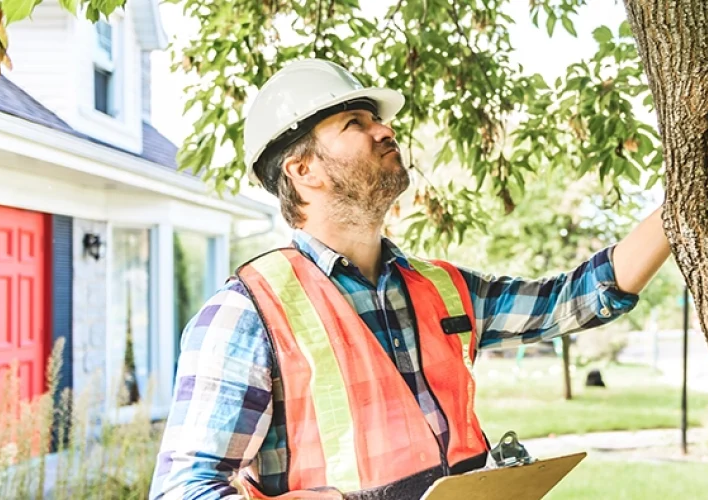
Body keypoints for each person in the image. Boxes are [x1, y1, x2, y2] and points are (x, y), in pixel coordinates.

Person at [148, 58, 671, 500]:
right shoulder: (248, 313)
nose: (385, 129)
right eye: (355, 122)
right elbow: (183, 490)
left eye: (377, 119)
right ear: (303, 170)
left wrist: (681, 207)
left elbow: (574, 300)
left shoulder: (442, 289)